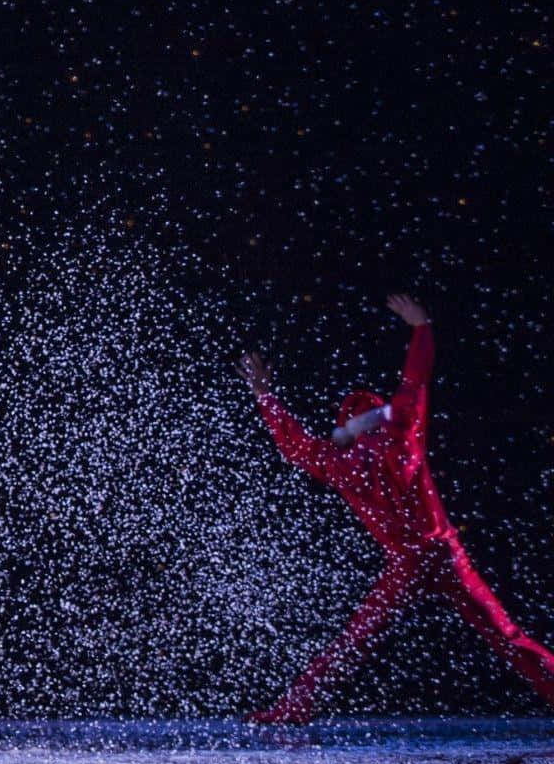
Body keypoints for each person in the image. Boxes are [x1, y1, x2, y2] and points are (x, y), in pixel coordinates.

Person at [236, 294, 554, 723]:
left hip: (411, 560)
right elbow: (413, 385)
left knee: (353, 641)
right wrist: (421, 329)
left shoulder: (341, 461)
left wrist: (265, 397)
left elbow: (295, 446)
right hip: (443, 552)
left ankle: (295, 708)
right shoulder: (401, 435)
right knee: (506, 635)